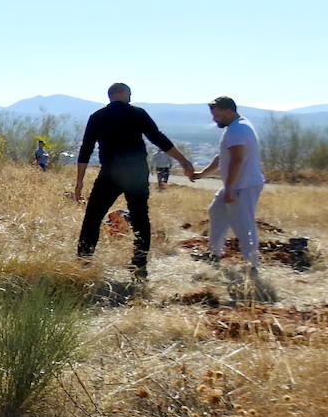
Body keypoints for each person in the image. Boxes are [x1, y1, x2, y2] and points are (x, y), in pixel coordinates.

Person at [74, 82, 196, 277]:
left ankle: (83, 262)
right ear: (122, 93)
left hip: (110, 173)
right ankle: (139, 266)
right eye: (129, 94)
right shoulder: (138, 113)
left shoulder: (97, 117)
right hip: (136, 173)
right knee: (140, 218)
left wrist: (79, 182)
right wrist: (183, 161)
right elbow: (158, 138)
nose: (130, 97)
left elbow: (85, 149)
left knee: (93, 217)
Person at [195, 96, 266, 271]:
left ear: (229, 111)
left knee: (243, 223)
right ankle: (214, 253)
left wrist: (230, 189)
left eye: (217, 115)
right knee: (217, 211)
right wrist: (203, 174)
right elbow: (223, 157)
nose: (214, 119)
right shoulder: (236, 127)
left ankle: (251, 264)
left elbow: (237, 160)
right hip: (237, 185)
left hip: (242, 185)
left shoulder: (238, 130)